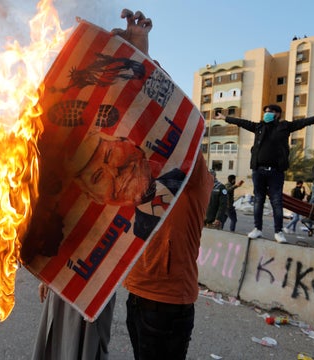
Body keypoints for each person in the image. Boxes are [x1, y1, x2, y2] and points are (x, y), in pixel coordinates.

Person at [115, 9, 214, 360]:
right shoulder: (146, 172)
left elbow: (170, 113)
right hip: (137, 293)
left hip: (169, 303)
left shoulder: (194, 176)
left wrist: (144, 55)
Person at [214, 104, 314, 243]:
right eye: (265, 111)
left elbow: (309, 120)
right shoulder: (259, 127)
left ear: (277, 114)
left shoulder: (285, 127)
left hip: (276, 172)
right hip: (259, 171)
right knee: (258, 201)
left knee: (276, 202)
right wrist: (225, 117)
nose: (266, 114)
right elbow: (241, 122)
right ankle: (257, 229)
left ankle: (278, 232)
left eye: (270, 111)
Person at [32, 283, 115, 360]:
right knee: (58, 339)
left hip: (96, 285)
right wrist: (46, 276)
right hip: (62, 280)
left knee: (87, 343)